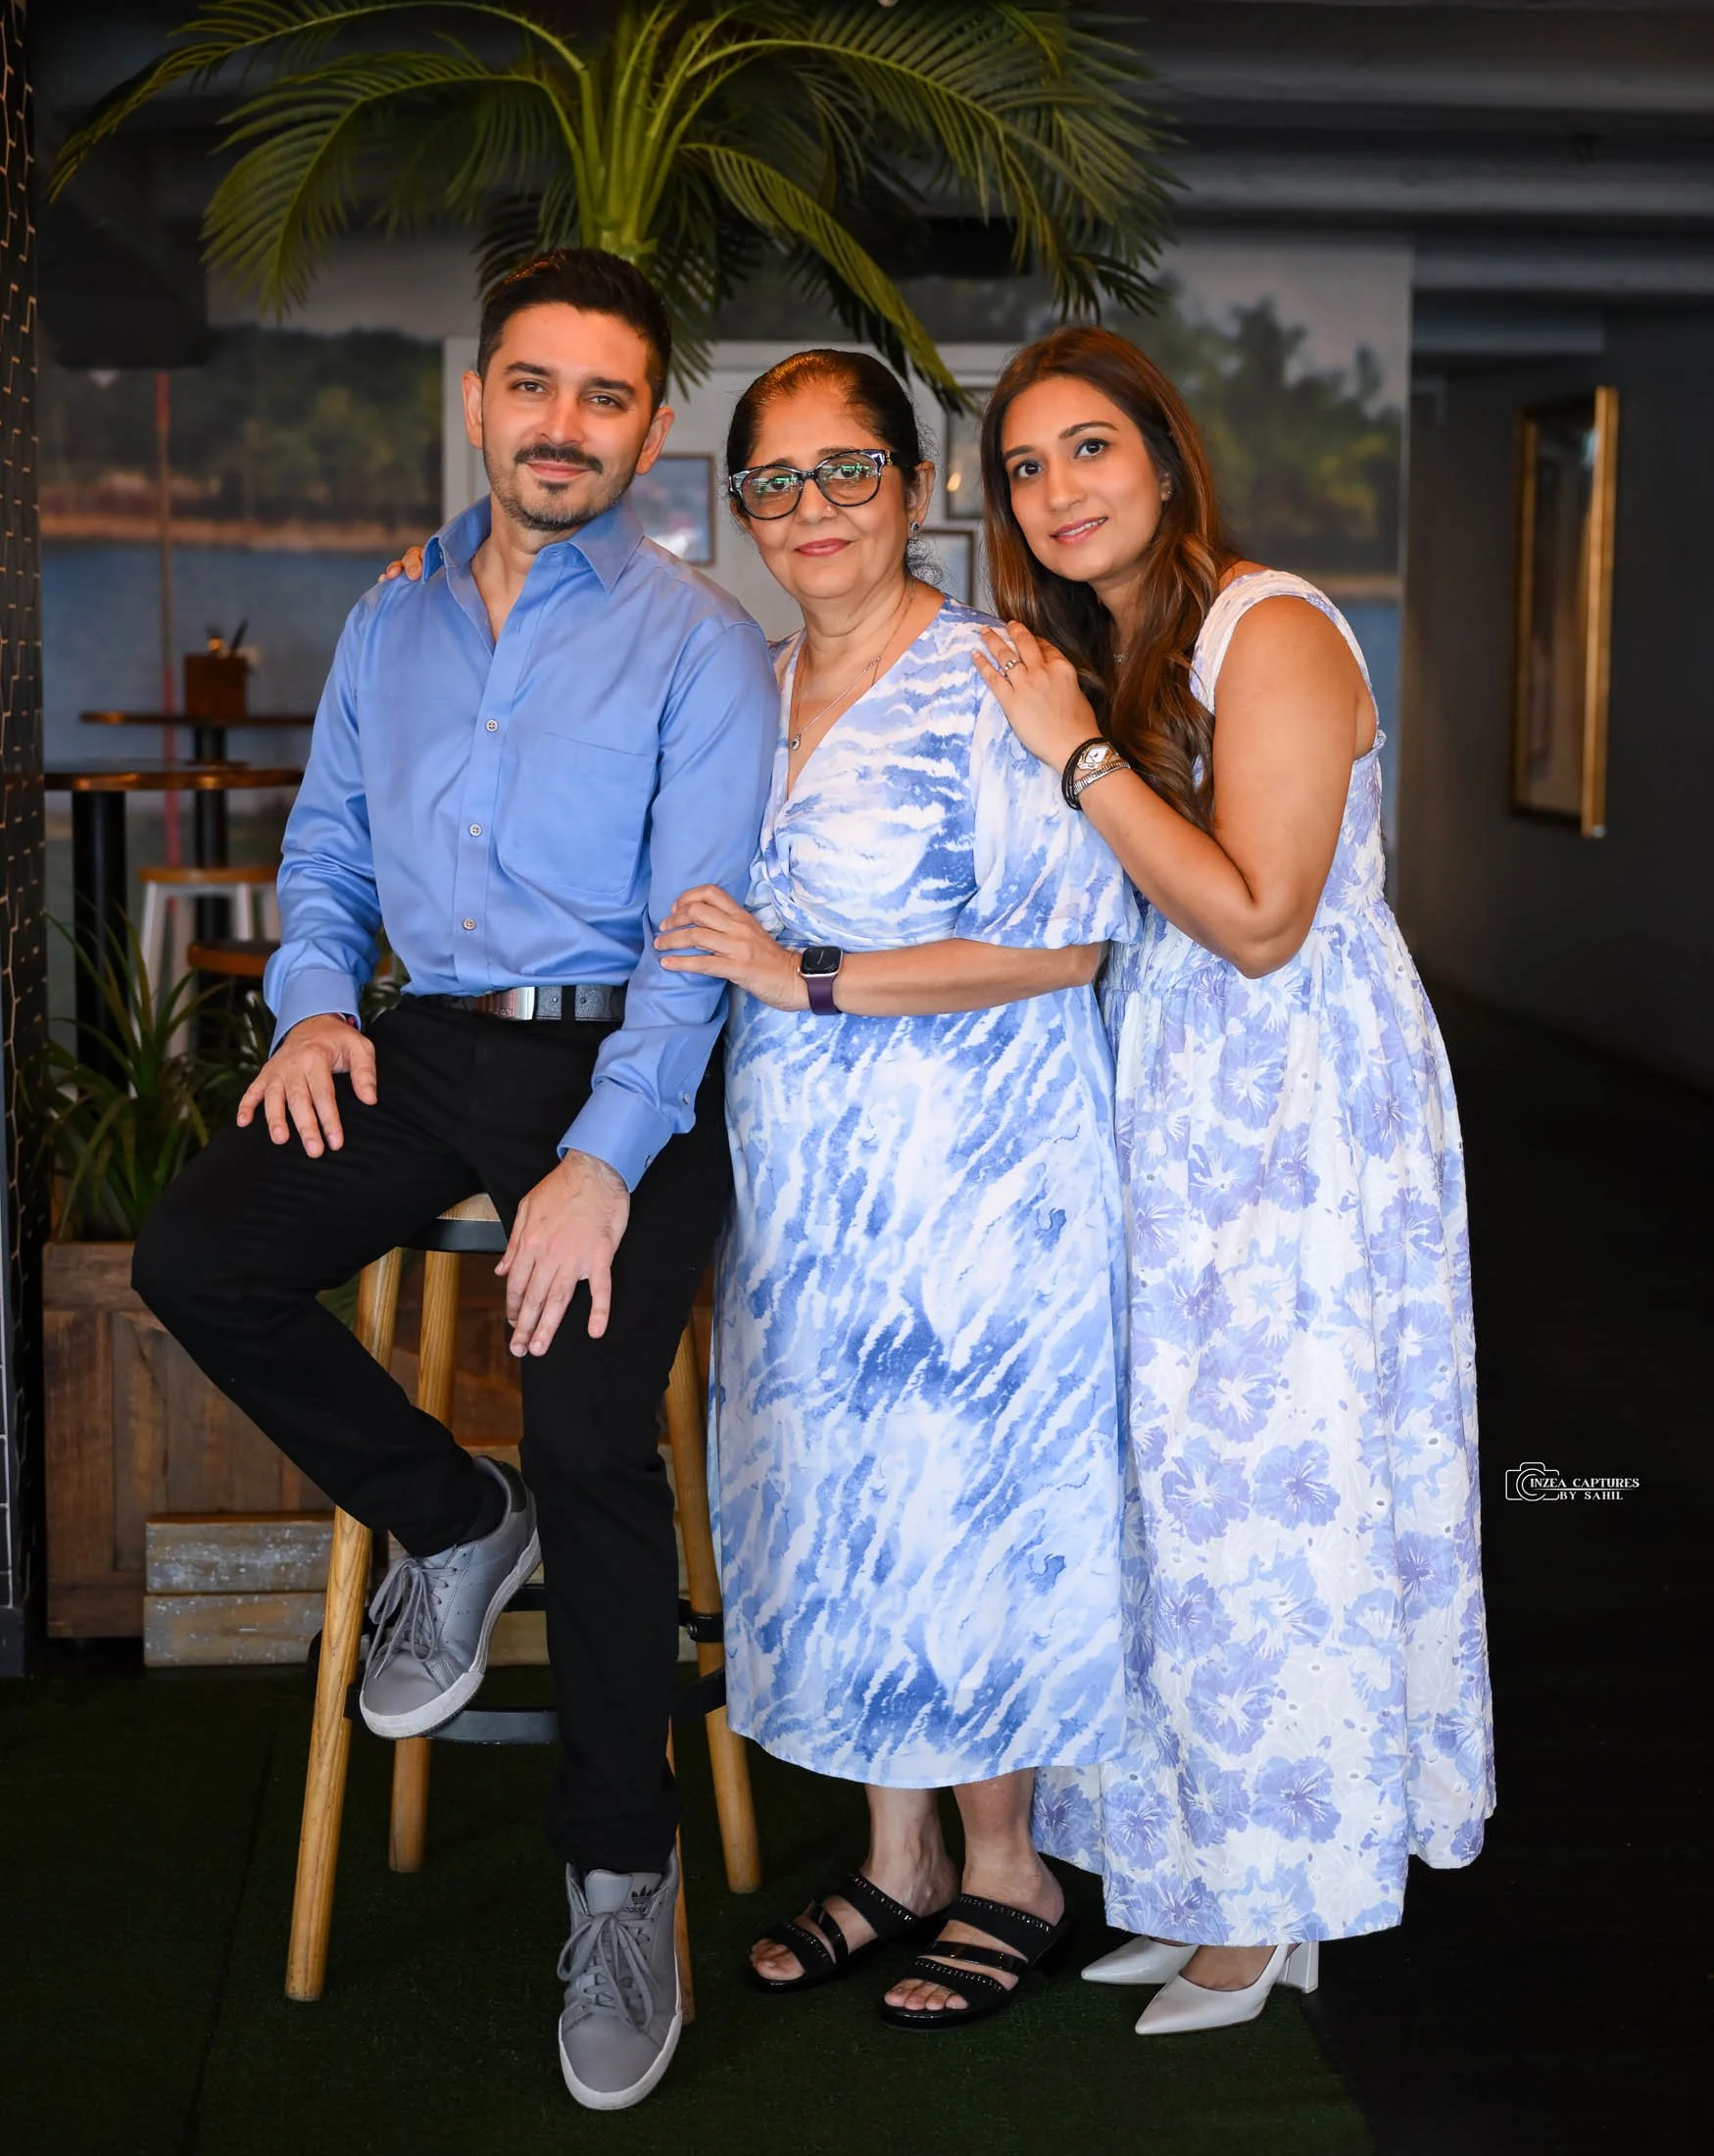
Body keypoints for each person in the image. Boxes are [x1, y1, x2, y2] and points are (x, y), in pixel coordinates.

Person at [131, 248, 776, 2111]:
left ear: (652, 427)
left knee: (593, 1431)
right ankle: (441, 1513)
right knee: (201, 1252)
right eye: (530, 384)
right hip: (421, 1043)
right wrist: (319, 1007)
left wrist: (600, 1159)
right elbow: (326, 840)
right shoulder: (391, 615)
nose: (559, 424)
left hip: (626, 1059)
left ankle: (616, 1874)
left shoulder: (697, 640)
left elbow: (695, 933)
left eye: (602, 395)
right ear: (479, 397)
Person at [969, 326, 1494, 2035]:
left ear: (1168, 461)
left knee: (1275, 1503)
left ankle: (1283, 1893)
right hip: (1171, 1112)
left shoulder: (1264, 629)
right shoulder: (1103, 651)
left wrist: (1079, 757)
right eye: (1027, 467)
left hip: (1297, 1122)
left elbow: (1263, 920)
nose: (1058, 490)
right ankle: (1198, 1868)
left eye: (1090, 449)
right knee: (1171, 1507)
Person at [653, 349, 1137, 2030]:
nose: (812, 512)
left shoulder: (993, 673)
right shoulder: (749, 684)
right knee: (850, 1502)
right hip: (804, 1185)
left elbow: (1071, 940)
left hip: (981, 1172)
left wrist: (815, 976)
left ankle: (1012, 1868)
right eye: (774, 483)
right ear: (742, 511)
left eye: (845, 470)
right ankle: (898, 1857)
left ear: (917, 484)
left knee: (970, 1498)